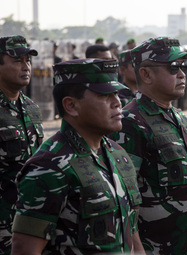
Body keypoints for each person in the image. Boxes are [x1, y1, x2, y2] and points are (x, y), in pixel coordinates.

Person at [11, 58, 145, 254]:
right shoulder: (48, 166)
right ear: (71, 106)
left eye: (116, 93)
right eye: (104, 95)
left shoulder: (118, 154)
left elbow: (131, 234)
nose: (117, 102)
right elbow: (25, 249)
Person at [110, 37, 187, 254]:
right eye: (172, 67)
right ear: (146, 74)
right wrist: (136, 248)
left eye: (182, 66)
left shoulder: (180, 118)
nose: (181, 74)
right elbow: (122, 198)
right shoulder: (130, 122)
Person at [0, 35, 43, 254]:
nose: (25, 66)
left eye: (28, 60)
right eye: (17, 61)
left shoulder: (32, 108)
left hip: (28, 220)